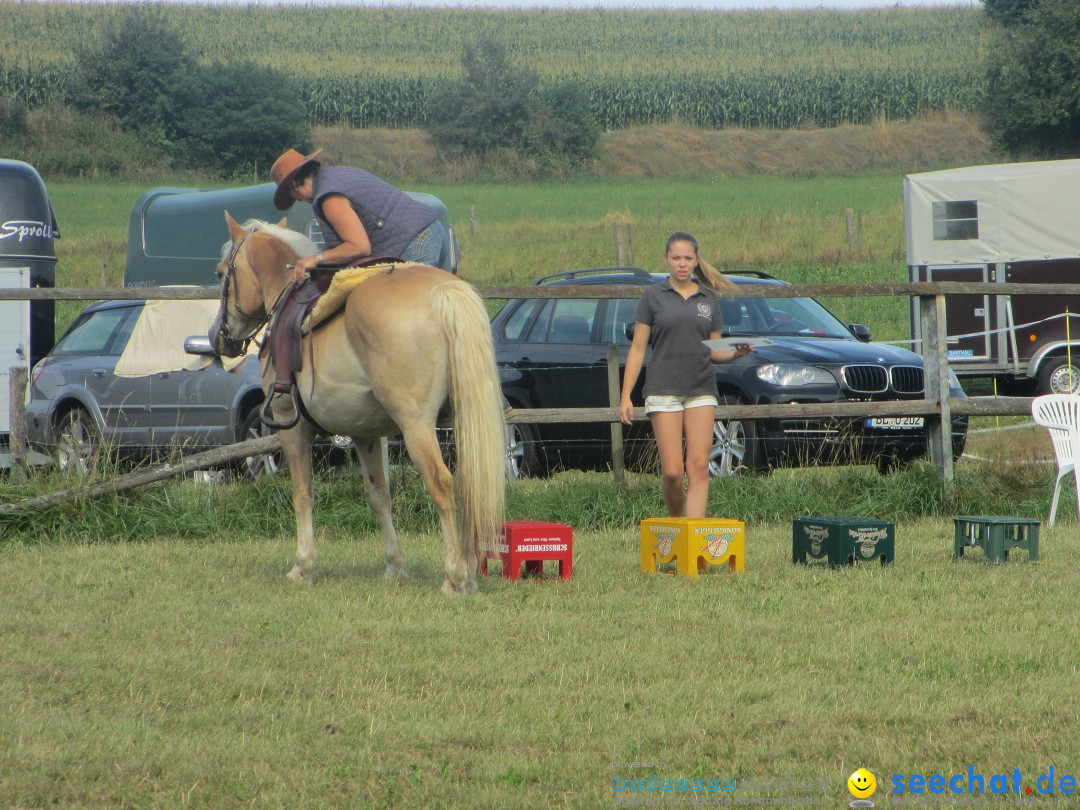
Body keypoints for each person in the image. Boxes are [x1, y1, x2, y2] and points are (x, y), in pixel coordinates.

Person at [619, 232, 752, 518]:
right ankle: (678, 525)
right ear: (666, 259)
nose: (682, 264)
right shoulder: (652, 296)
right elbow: (638, 349)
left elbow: (714, 351)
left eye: (688, 258)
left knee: (699, 467)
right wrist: (626, 396)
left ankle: (693, 536)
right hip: (662, 388)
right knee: (672, 472)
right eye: (676, 258)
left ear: (696, 261)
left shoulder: (708, 299)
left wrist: (737, 353)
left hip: (701, 388)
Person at [269, 148, 448, 283]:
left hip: (415, 244)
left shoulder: (329, 197)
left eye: (291, 196)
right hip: (432, 231)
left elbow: (359, 247)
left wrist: (315, 259)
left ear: (294, 185)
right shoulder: (337, 175)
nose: (298, 201)